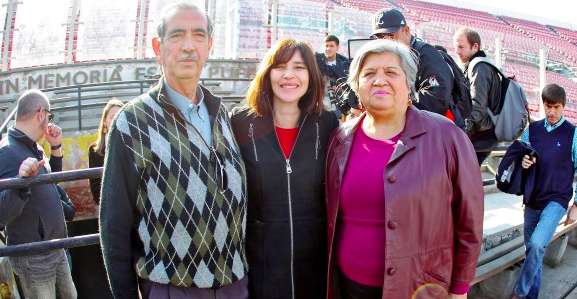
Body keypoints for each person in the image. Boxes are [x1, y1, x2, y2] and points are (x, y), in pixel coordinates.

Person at [99, 2, 248, 298]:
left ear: (209, 46)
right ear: (158, 46)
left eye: (199, 35)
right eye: (177, 35)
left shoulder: (223, 115)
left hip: (235, 285)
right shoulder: (131, 122)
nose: (189, 46)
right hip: (172, 288)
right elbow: (113, 226)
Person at [325, 39, 483, 299]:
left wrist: (460, 288)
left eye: (391, 72)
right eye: (369, 74)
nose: (379, 80)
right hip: (349, 286)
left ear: (409, 83)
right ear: (357, 85)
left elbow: (469, 220)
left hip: (418, 287)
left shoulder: (446, 136)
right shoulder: (340, 139)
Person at [231, 39, 338, 299]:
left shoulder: (327, 124)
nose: (289, 75)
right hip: (260, 271)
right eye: (280, 66)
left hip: (314, 272)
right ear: (267, 74)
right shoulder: (240, 123)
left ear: (311, 75)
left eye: (299, 67)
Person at [0, 89, 77, 298]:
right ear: (41, 114)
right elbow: (2, 214)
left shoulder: (32, 147)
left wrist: (56, 148)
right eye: (49, 116)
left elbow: (51, 186)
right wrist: (21, 182)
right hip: (34, 257)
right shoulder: (6, 152)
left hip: (56, 248)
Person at [512, 84, 577, 299]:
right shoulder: (532, 130)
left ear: (563, 107)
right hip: (532, 198)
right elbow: (517, 157)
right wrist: (524, 161)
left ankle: (520, 293)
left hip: (557, 200)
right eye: (548, 106)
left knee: (537, 244)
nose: (551, 112)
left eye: (556, 107)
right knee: (532, 252)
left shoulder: (573, 134)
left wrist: (575, 205)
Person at [371, 8, 454, 117]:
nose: (386, 42)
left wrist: (395, 101)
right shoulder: (391, 57)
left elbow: (436, 100)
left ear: (406, 30)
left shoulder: (426, 55)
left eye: (391, 36)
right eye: (380, 37)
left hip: (437, 128)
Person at [453, 27, 501, 165]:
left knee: (463, 175)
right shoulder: (477, 65)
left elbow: (477, 106)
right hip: (483, 132)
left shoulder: (480, 68)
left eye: (461, 47)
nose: (457, 51)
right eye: (456, 47)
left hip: (483, 133)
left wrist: (463, 131)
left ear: (475, 47)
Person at [88, 98, 123, 204]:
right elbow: (96, 192)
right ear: (104, 122)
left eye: (120, 116)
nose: (116, 120)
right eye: (112, 117)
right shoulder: (94, 150)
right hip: (109, 208)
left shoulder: (134, 146)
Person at [315, 35, 351, 115]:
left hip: (339, 102)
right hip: (320, 99)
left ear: (337, 47)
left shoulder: (345, 63)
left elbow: (347, 84)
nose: (328, 49)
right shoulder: (317, 60)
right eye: (326, 46)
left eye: (331, 46)